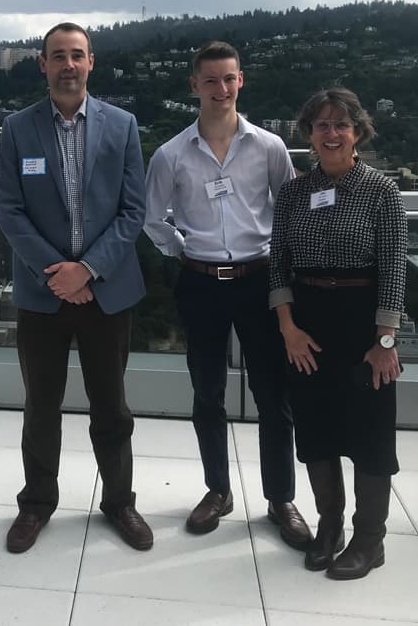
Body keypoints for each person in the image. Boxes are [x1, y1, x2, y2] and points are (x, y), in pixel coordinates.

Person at [144, 41, 312, 549]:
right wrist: (185, 252)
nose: (221, 89)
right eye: (211, 80)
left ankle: (280, 498)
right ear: (194, 85)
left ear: (242, 81)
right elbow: (153, 221)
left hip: (261, 281)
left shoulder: (269, 147)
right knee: (206, 392)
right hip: (200, 282)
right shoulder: (171, 154)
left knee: (273, 395)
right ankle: (217, 490)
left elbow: (290, 209)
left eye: (229, 79)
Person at [0, 21, 152, 554]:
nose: (68, 65)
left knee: (112, 406)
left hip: (106, 292)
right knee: (42, 405)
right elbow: (12, 215)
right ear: (42, 64)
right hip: (43, 296)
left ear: (91, 62)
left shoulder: (123, 125)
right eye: (57, 55)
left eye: (77, 55)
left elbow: (134, 212)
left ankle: (120, 502)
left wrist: (87, 271)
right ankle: (36, 503)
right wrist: (57, 274)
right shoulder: (17, 130)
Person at [269, 87, 406, 579]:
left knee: (371, 435)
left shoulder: (381, 191)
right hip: (306, 326)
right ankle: (330, 527)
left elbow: (393, 271)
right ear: (309, 134)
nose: (330, 133)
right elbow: (278, 267)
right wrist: (287, 328)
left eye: (340, 125)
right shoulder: (292, 193)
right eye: (321, 125)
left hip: (363, 324)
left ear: (357, 133)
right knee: (316, 428)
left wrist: (385, 341)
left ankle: (371, 539)